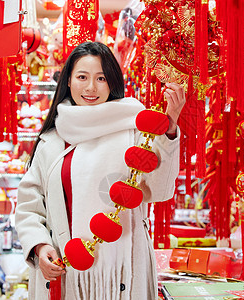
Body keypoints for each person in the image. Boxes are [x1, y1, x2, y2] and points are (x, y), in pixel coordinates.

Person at [15, 41, 186, 299]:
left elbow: (160, 190)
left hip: (124, 272)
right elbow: (29, 205)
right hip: (65, 269)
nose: (91, 87)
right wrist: (39, 246)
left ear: (112, 83)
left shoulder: (135, 130)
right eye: (82, 77)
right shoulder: (52, 140)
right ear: (69, 82)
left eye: (101, 78)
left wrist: (169, 127)